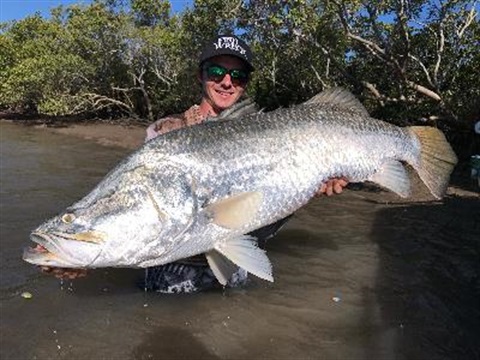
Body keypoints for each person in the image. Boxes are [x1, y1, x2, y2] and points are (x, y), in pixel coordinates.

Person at [41, 35, 348, 290]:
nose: (227, 82)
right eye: (217, 73)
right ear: (200, 76)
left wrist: (311, 186)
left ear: (244, 85)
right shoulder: (167, 136)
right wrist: (79, 254)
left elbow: (269, 202)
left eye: (237, 76)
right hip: (174, 274)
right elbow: (144, 213)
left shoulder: (270, 132)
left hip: (235, 265)